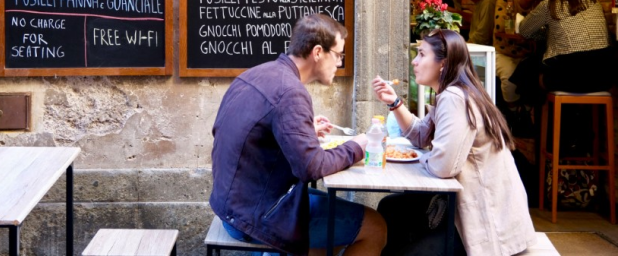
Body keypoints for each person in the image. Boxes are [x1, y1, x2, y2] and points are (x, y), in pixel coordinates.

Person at [210, 13, 387, 256]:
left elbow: (252, 133)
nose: (339, 63)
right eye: (338, 55)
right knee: (375, 226)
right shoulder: (290, 92)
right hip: (257, 215)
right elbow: (311, 168)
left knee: (326, 240)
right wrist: (359, 145)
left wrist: (304, 131)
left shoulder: (258, 73)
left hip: (234, 204)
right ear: (317, 52)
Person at [373, 29, 535, 256]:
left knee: (404, 243)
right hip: (469, 208)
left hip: (487, 223)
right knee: (391, 207)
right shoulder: (452, 93)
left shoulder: (455, 98)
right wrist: (395, 103)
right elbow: (421, 134)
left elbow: (443, 166)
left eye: (421, 54)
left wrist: (425, 158)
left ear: (443, 63)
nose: (415, 62)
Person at [519, 0, 613, 93]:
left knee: (530, 70)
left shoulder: (548, 3)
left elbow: (524, 30)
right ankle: (574, 112)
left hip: (570, 78)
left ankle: (534, 111)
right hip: (605, 77)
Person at [492, 0, 542, 118]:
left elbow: (542, 32)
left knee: (533, 78)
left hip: (526, 56)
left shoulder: (539, 7)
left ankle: (525, 113)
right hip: (504, 52)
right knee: (509, 79)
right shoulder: (506, 0)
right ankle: (514, 114)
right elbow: (501, 27)